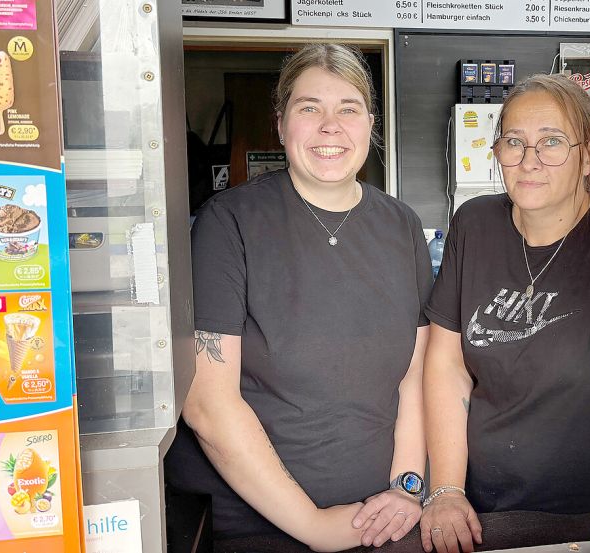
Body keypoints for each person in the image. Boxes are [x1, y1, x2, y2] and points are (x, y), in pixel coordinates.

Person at [165, 44, 431, 552]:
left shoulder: (402, 226)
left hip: (385, 515)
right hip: (256, 526)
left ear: (370, 123)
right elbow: (207, 402)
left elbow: (414, 375)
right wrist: (315, 527)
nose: (330, 126)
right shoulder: (228, 224)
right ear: (281, 123)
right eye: (309, 108)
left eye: (348, 109)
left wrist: (407, 488)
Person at [419, 74, 590, 553]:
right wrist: (446, 491)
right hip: (482, 516)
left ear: (589, 155)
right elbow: (446, 366)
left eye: (551, 142)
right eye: (514, 142)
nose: (530, 161)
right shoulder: (474, 223)